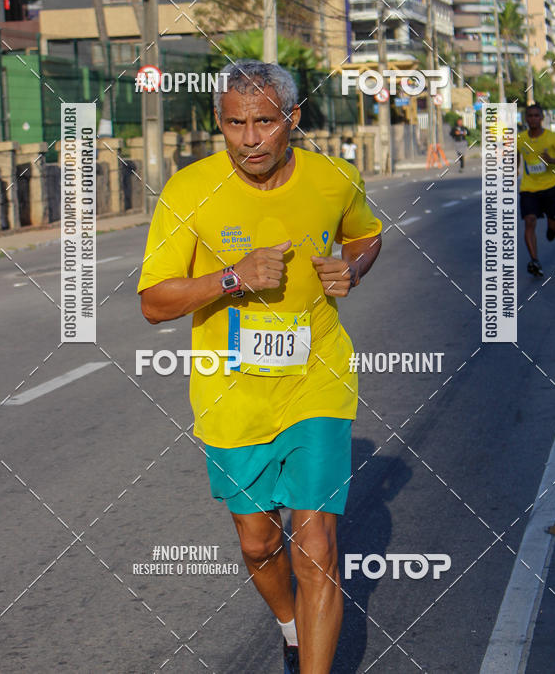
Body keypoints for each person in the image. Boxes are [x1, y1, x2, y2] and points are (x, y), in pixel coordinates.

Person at [138, 60, 382, 674]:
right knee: (259, 543)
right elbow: (153, 303)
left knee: (318, 548)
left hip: (316, 378)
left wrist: (350, 269)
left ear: (292, 120)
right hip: (232, 394)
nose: (249, 139)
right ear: (218, 123)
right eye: (234, 123)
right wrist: (232, 277)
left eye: (265, 122)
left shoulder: (334, 178)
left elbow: (365, 235)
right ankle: (290, 625)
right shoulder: (189, 191)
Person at [517, 103, 555, 276]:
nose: (533, 118)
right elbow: (515, 157)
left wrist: (552, 161)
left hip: (551, 189)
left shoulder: (553, 138)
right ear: (526, 118)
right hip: (528, 189)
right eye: (530, 115)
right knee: (529, 221)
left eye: (536, 116)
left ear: (541, 118)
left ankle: (553, 227)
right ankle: (534, 260)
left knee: (552, 225)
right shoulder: (520, 139)